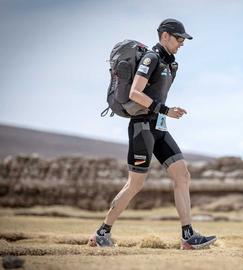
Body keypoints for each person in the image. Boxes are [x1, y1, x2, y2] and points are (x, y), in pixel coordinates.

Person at [88, 18, 217, 250]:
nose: (182, 43)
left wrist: (164, 113)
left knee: (182, 175)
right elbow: (136, 93)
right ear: (165, 36)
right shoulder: (151, 58)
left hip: (158, 126)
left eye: (183, 40)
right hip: (142, 126)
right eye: (179, 38)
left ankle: (188, 236)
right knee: (135, 184)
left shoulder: (171, 64)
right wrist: (166, 110)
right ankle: (101, 234)